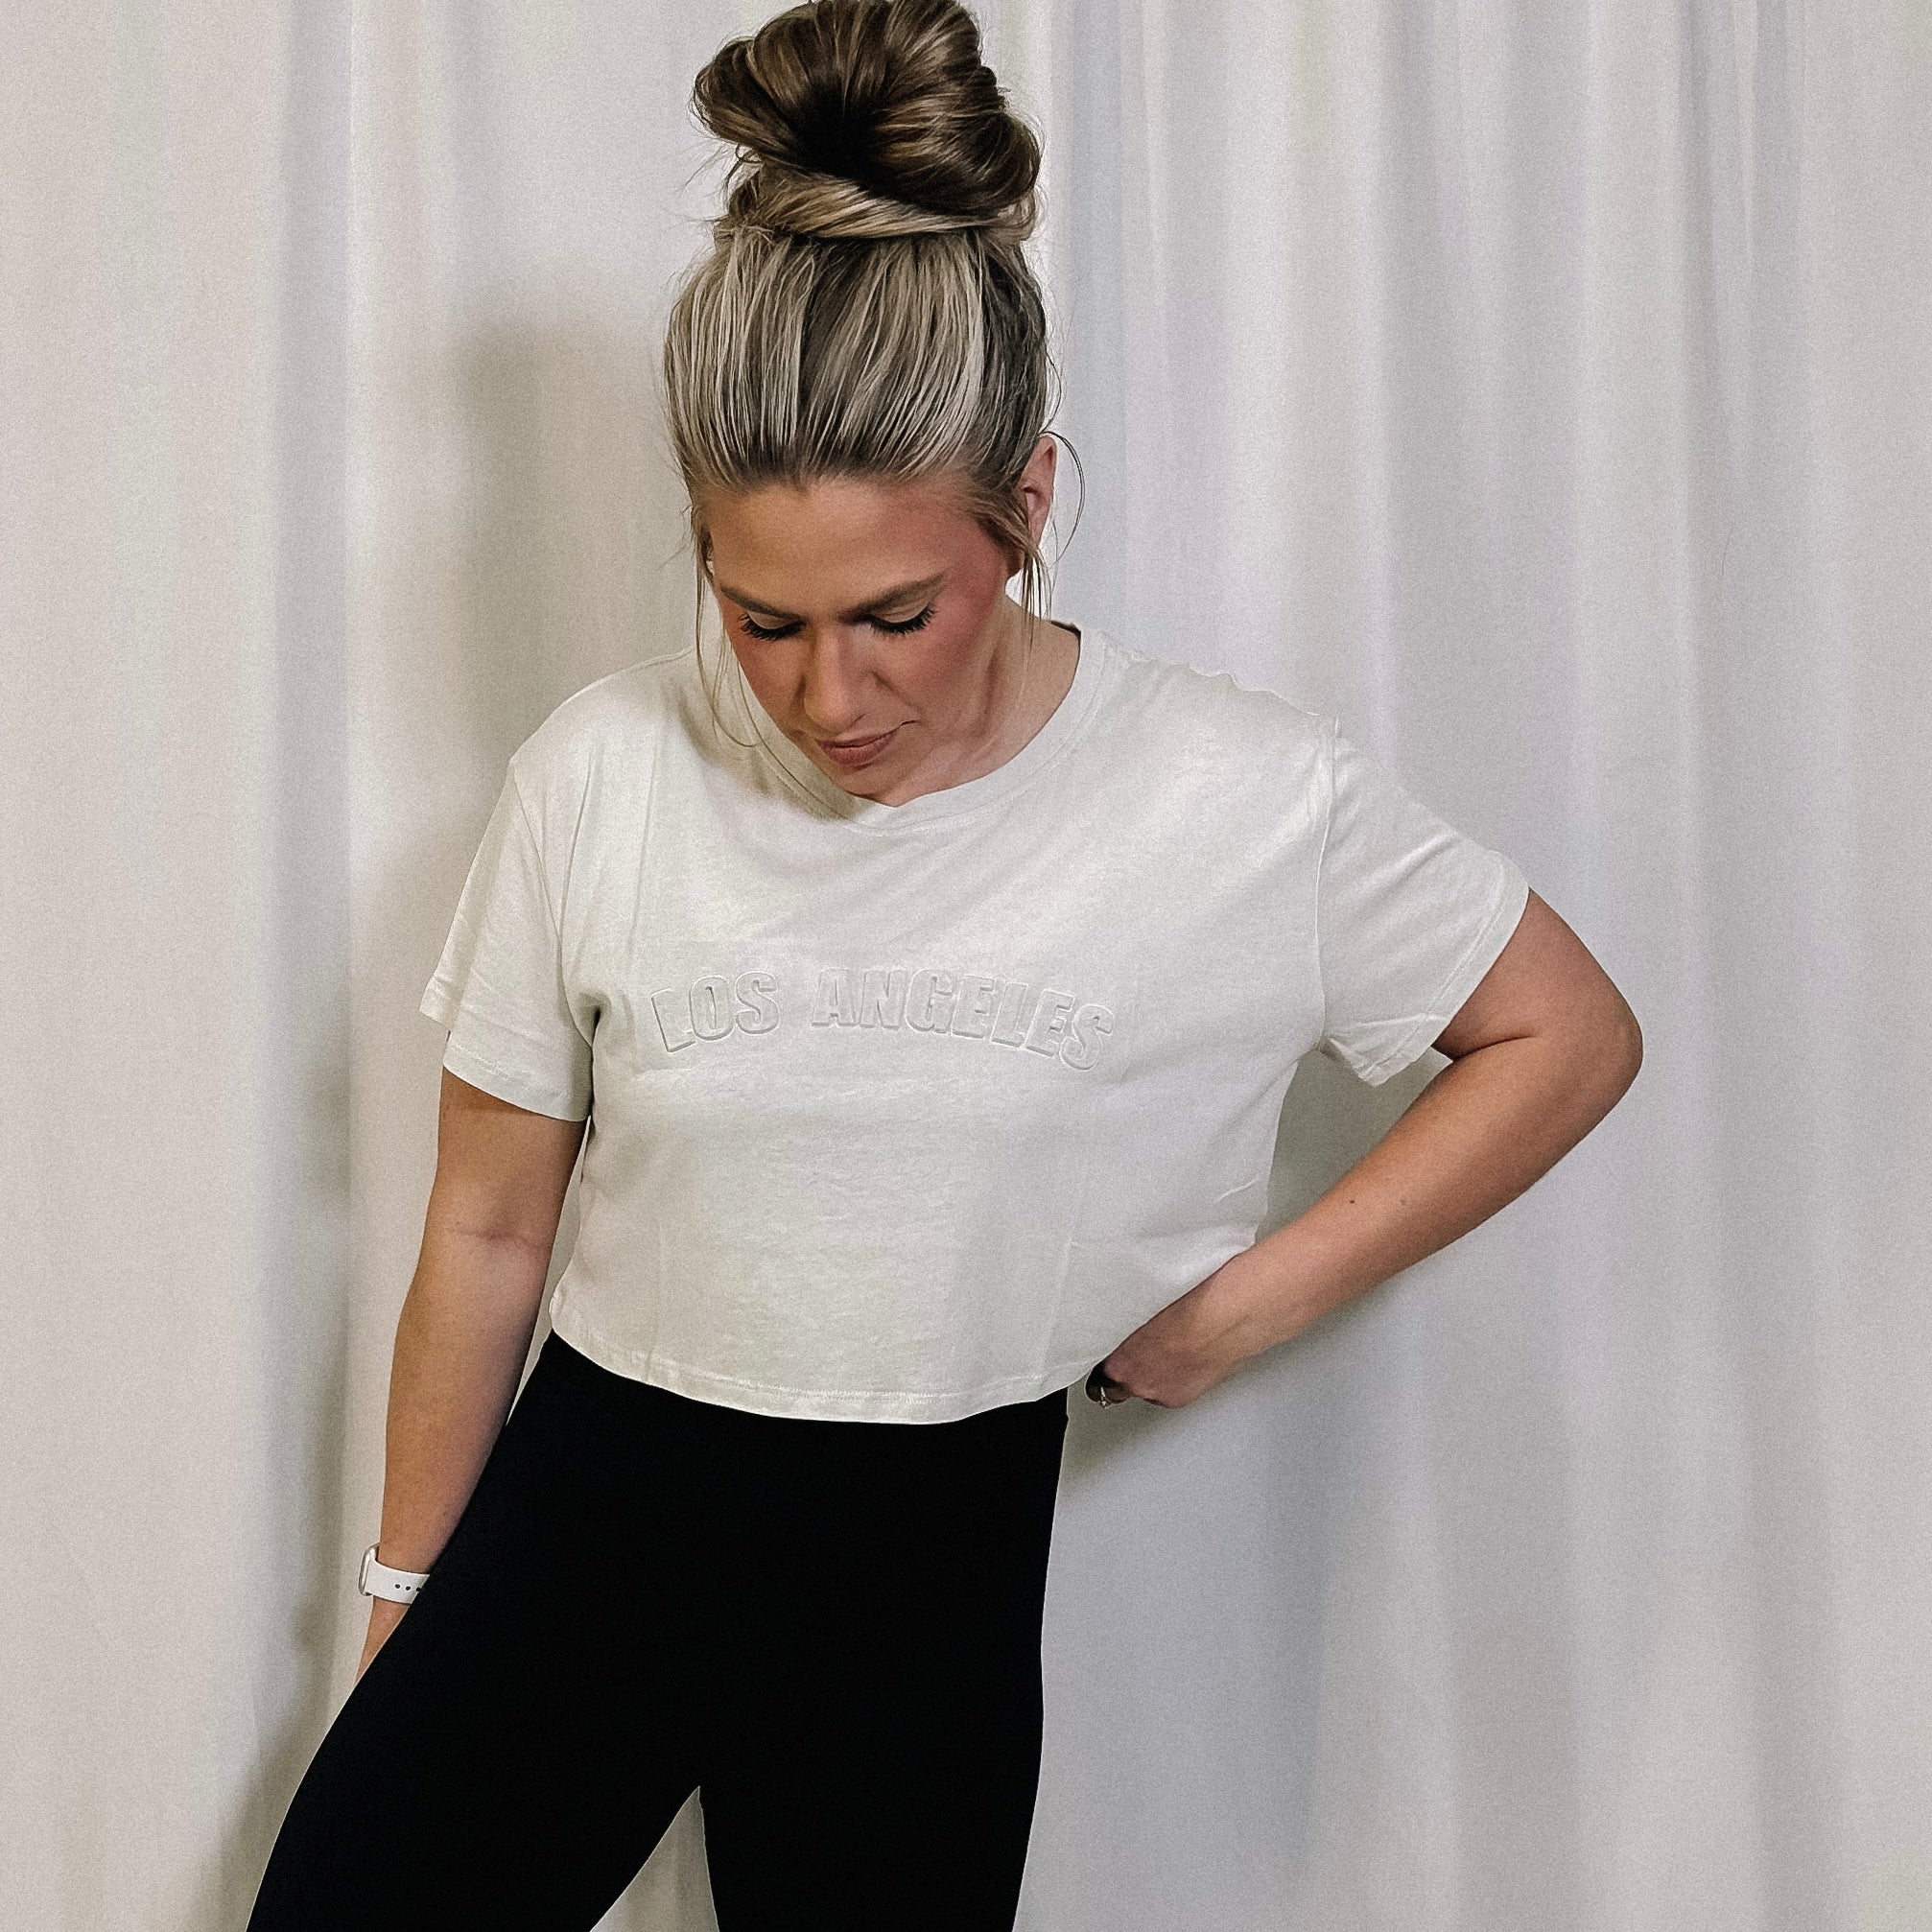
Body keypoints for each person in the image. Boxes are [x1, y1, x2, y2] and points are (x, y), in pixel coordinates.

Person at [247, 1, 1641, 1926]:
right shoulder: (601, 771)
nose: (829, 695)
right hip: (597, 1506)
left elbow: (1561, 1032)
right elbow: (487, 1227)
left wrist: (1236, 1310)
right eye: (761, 619)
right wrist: (404, 1596)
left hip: (925, 1564)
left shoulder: (1237, 796)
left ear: (1026, 507)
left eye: (895, 613)